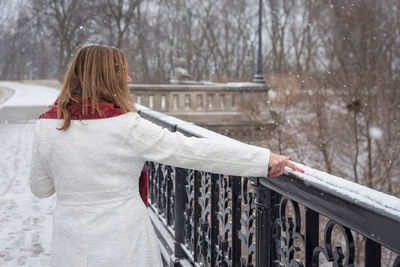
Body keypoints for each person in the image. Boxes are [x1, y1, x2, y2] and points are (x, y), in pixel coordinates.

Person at [29, 45, 304, 267]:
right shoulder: (126, 126)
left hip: (71, 246)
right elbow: (192, 150)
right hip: (123, 245)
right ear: (107, 79)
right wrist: (262, 159)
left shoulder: (46, 125)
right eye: (122, 73)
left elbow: (40, 189)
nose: (129, 79)